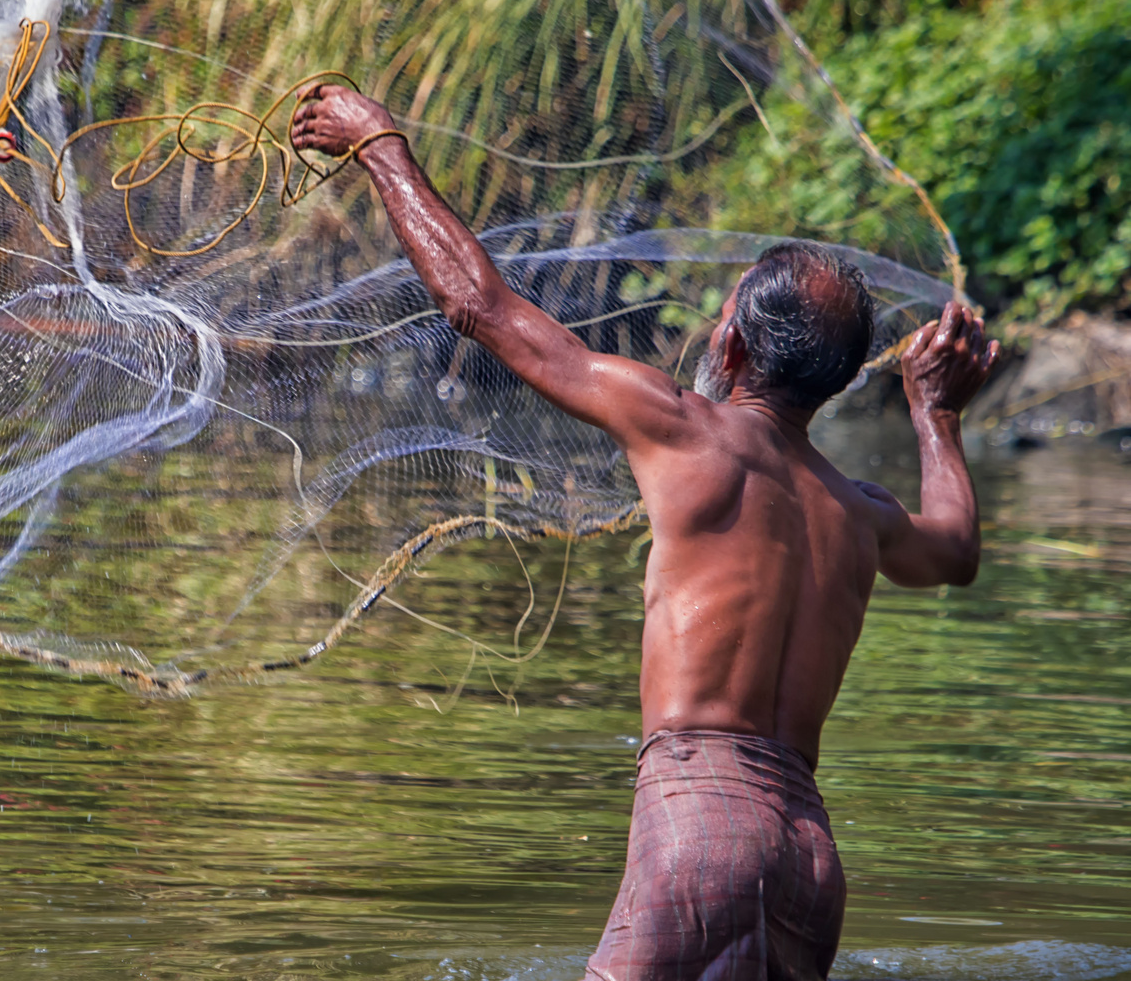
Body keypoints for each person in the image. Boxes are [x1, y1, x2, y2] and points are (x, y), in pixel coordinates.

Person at [291, 86, 999, 981]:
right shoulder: (860, 513)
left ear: (733, 348)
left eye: (725, 310)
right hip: (811, 854)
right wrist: (937, 416)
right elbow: (957, 552)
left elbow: (480, 307)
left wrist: (379, 145)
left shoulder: (684, 426)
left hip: (698, 818)